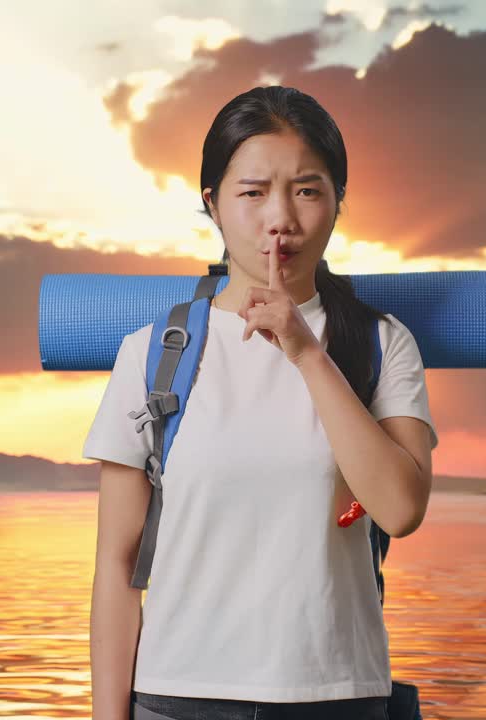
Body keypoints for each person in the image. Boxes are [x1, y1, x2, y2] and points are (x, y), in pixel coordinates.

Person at [83, 85, 439, 720]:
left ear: (337, 203)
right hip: (179, 696)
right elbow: (116, 565)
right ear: (212, 204)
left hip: (338, 696)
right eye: (252, 192)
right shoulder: (152, 355)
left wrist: (306, 352)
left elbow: (401, 508)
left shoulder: (382, 344)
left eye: (307, 189)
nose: (281, 218)